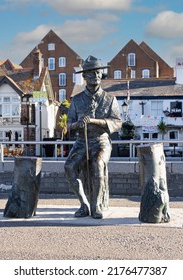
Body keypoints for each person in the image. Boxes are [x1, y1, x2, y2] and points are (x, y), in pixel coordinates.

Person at [64, 55, 122, 219]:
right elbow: (68, 125)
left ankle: (96, 205)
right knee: (69, 167)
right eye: (91, 73)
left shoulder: (110, 99)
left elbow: (117, 122)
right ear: (84, 76)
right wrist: (77, 125)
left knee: (97, 164)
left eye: (98, 73)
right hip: (82, 142)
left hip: (101, 142)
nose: (95, 76)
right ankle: (84, 204)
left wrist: (96, 121)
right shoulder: (76, 100)